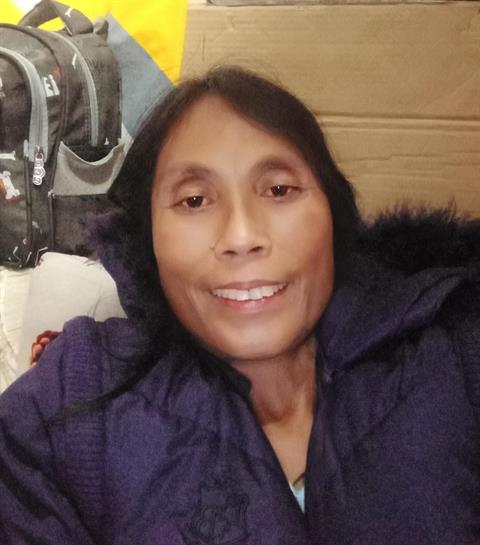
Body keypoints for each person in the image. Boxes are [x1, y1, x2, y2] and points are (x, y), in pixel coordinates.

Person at [0, 66, 479, 545]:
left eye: (278, 190)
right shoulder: (75, 393)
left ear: (334, 216)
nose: (242, 235)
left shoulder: (456, 356)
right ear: (148, 240)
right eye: (194, 200)